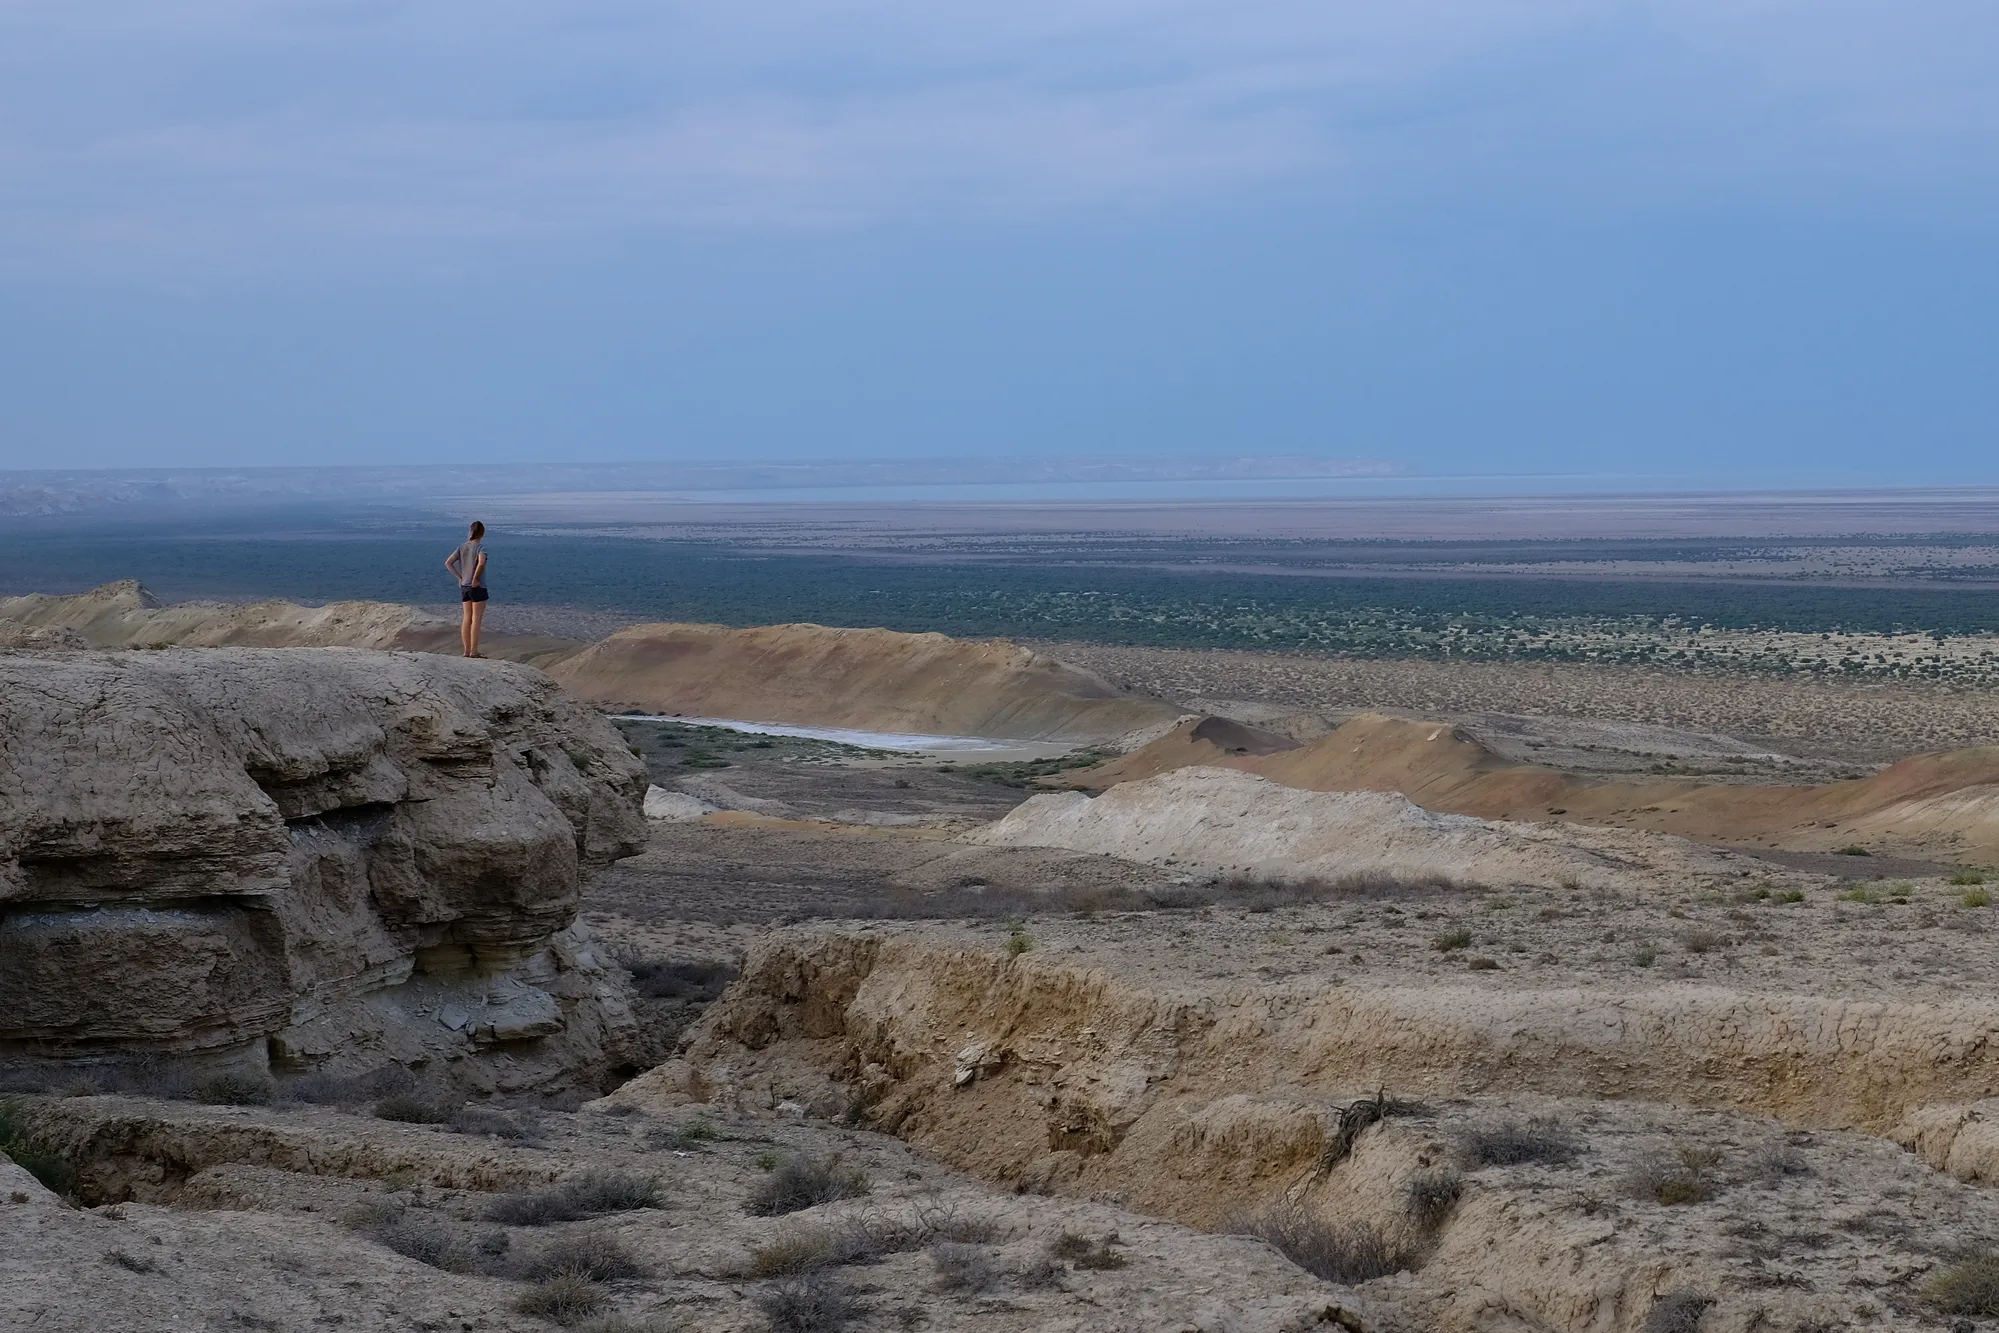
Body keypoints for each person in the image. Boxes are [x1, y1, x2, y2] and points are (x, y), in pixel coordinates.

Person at [444, 521, 489, 657]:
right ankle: (474, 651)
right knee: (476, 619)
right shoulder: (480, 547)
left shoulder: (462, 547)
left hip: (464, 586)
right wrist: (475, 579)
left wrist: (460, 577)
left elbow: (448, 563)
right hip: (477, 587)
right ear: (482, 533)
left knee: (466, 618)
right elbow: (481, 563)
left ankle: (466, 651)